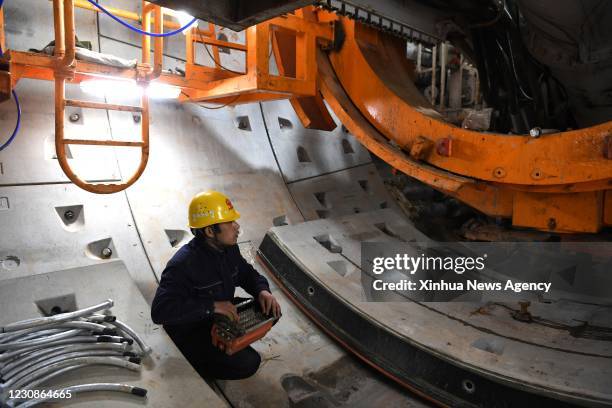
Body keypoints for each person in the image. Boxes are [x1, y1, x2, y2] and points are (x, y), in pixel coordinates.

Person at [151, 190, 281, 380]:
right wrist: (212, 307)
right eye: (229, 222)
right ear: (210, 231)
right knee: (249, 363)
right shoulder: (183, 265)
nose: (237, 226)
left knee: (271, 310)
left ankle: (230, 341)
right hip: (193, 327)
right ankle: (195, 361)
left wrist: (262, 290)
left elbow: (246, 273)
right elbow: (160, 311)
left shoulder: (229, 249)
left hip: (221, 312)